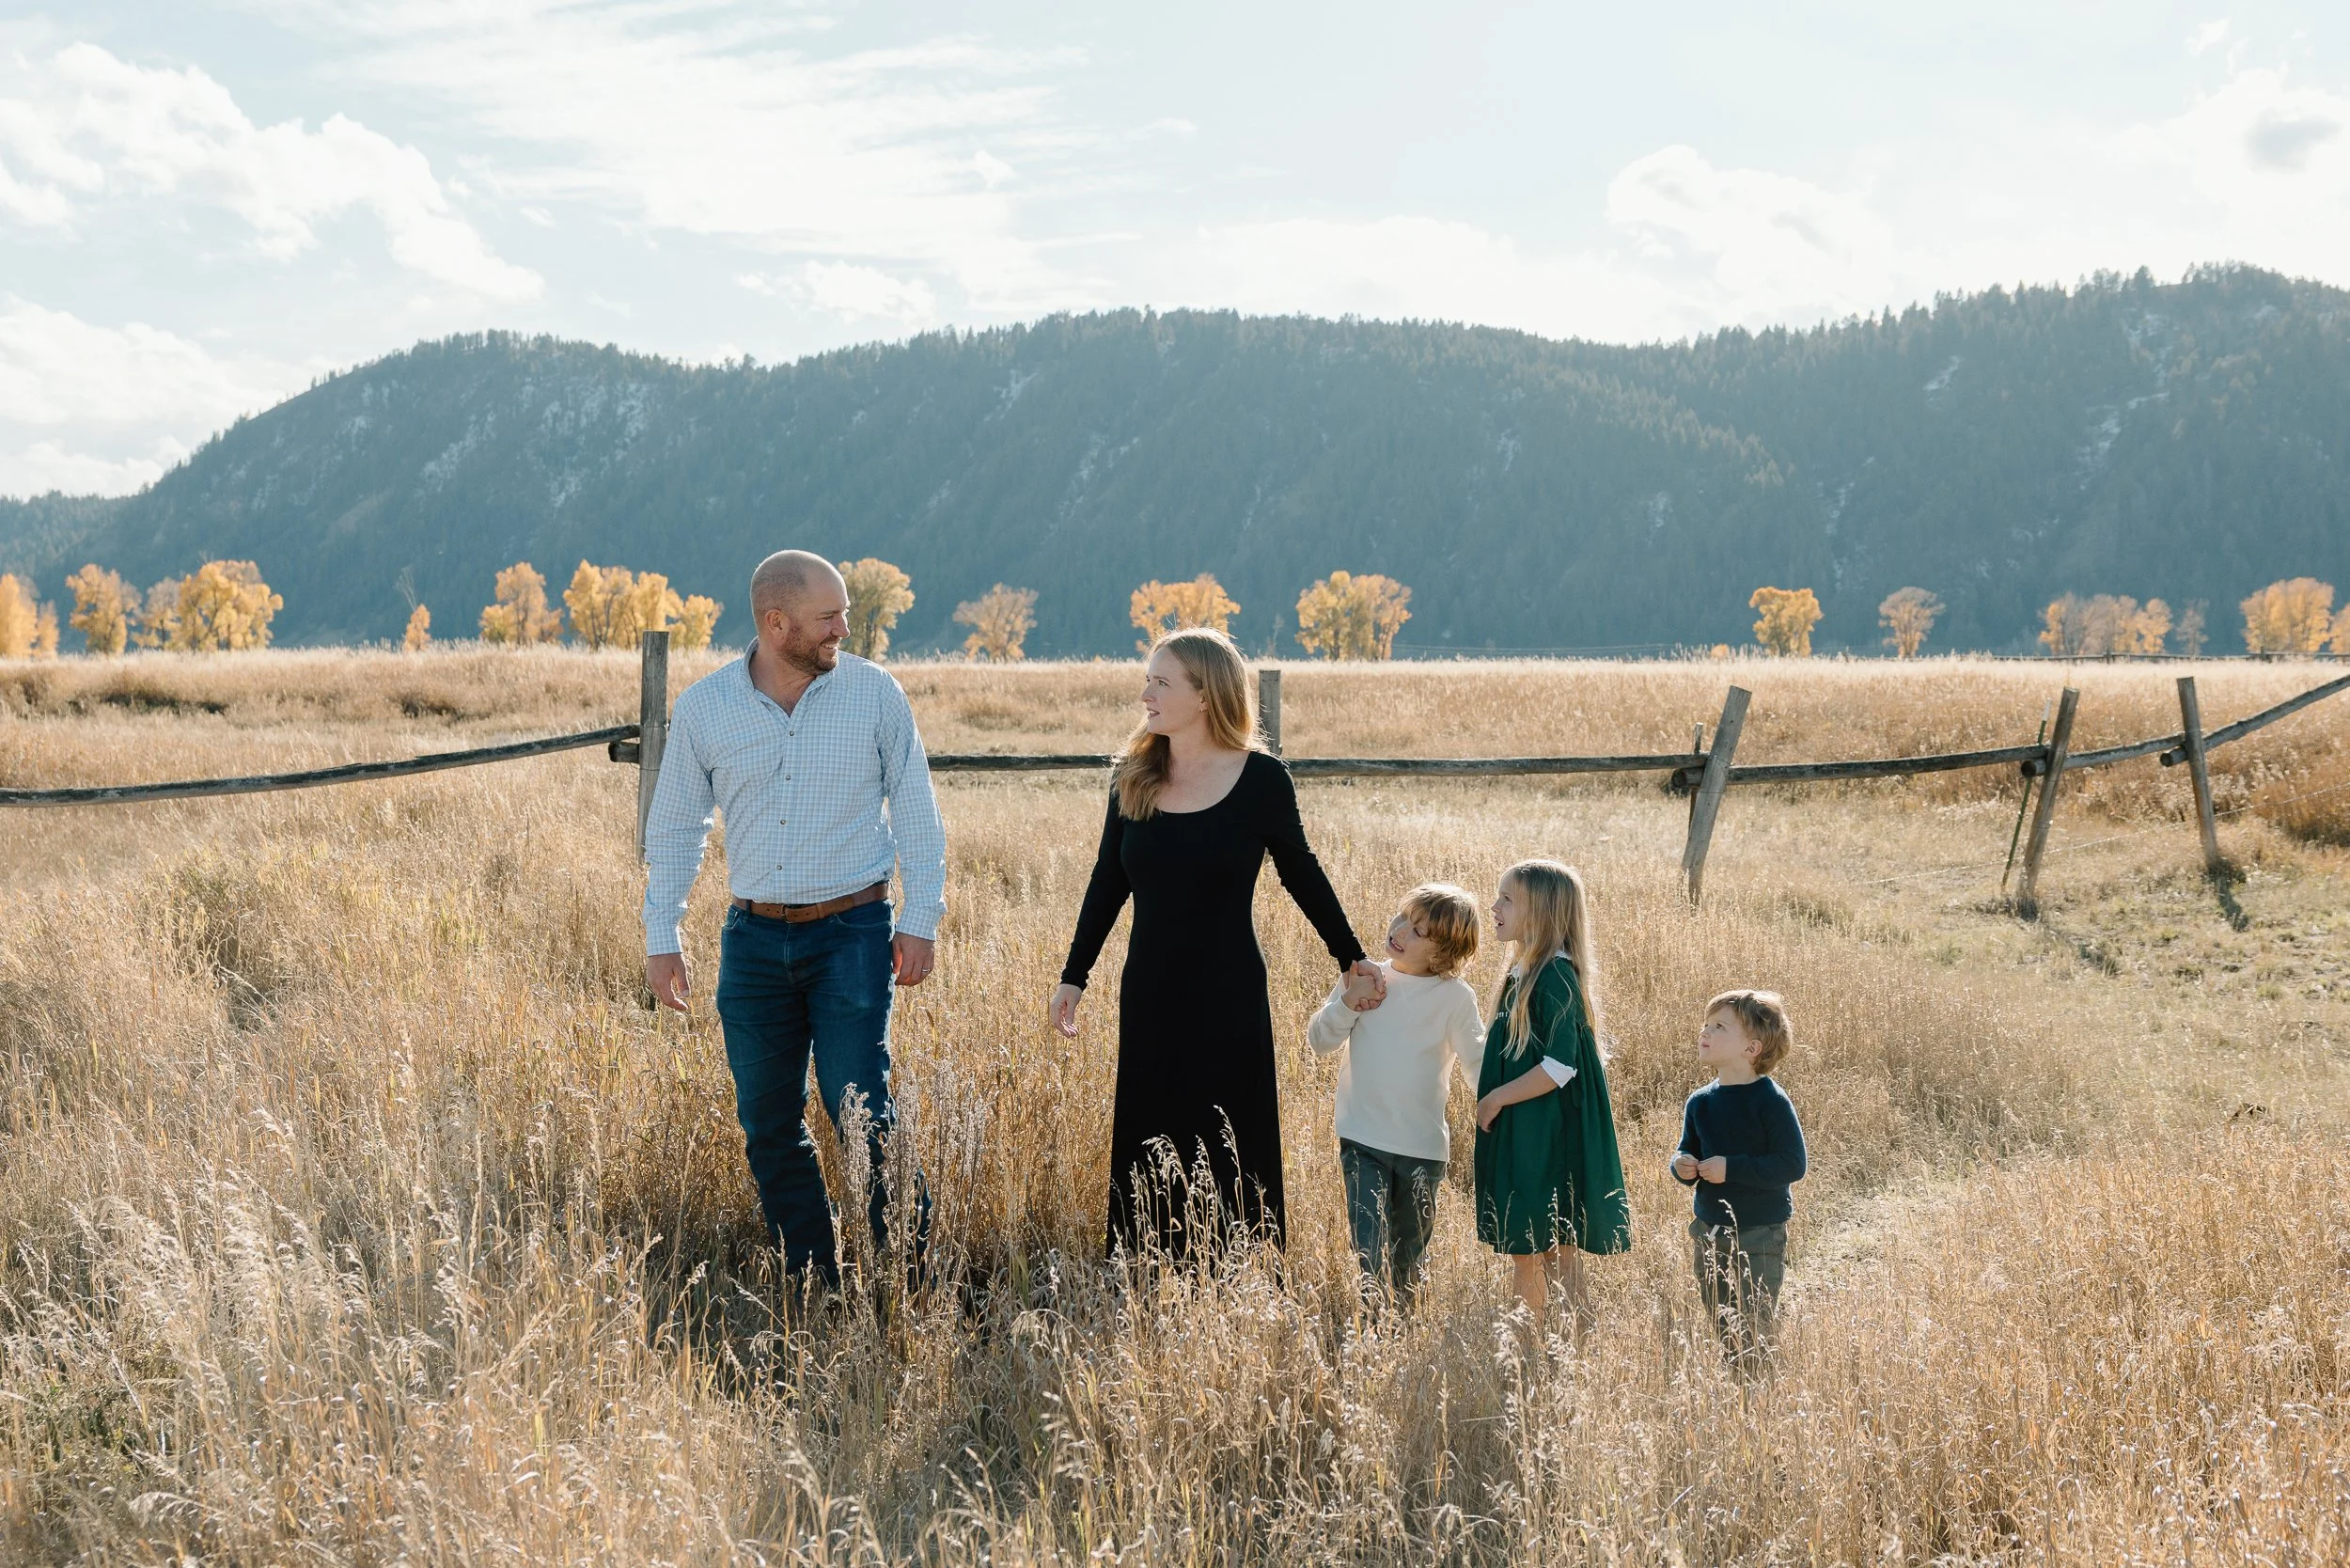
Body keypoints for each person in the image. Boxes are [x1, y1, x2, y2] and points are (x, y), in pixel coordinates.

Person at [641, 550, 943, 1291]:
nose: (844, 629)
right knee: (768, 1124)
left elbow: (916, 808)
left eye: (844, 615)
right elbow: (676, 826)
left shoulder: (874, 693)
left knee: (861, 1109)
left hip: (853, 934)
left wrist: (921, 917)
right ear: (777, 624)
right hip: (752, 943)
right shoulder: (706, 708)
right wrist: (661, 935)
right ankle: (816, 1284)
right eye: (829, 617)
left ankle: (912, 1280)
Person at [1052, 627, 1384, 1258]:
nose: (1146, 694)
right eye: (1147, 679)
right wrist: (1075, 976)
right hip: (1150, 990)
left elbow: (1301, 873)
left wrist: (1350, 955)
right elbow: (1107, 881)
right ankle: (1147, 1268)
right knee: (1151, 1125)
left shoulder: (1261, 780)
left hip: (1229, 991)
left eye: (1161, 682)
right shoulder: (1132, 777)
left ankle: (1244, 1271)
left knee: (1233, 1130)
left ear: (1205, 695)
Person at [1472, 859, 1632, 1339]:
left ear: (1540, 911)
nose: (1494, 907)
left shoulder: (1554, 975)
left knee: (1537, 1245)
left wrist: (1496, 1098)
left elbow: (1560, 1067)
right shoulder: (1524, 972)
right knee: (1548, 1246)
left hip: (1545, 1134)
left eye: (1507, 899)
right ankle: (1569, 1345)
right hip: (1532, 1130)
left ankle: (1528, 1349)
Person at [1307, 883, 1485, 1308]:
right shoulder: (1366, 977)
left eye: (1418, 931)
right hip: (1363, 1139)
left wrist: (1501, 1101)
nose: (1400, 930)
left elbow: (1477, 1063)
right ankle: (1372, 1326)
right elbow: (1319, 1041)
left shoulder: (1455, 998)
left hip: (1421, 1150)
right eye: (1403, 916)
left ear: (1443, 953)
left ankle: (1402, 1320)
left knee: (1407, 1257)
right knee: (1369, 1250)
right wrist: (1348, 1002)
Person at [1670, 989, 1806, 1366]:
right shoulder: (1700, 1102)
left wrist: (1731, 1168)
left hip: (1760, 1230)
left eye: (1719, 1027)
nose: (1705, 1032)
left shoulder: (1771, 1101)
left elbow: (1792, 1164)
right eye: (1706, 1024)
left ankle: (1760, 1380)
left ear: (1751, 1049)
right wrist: (1681, 1165)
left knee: (1755, 1318)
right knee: (1720, 1314)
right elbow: (1686, 1150)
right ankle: (1737, 1377)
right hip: (1709, 1229)